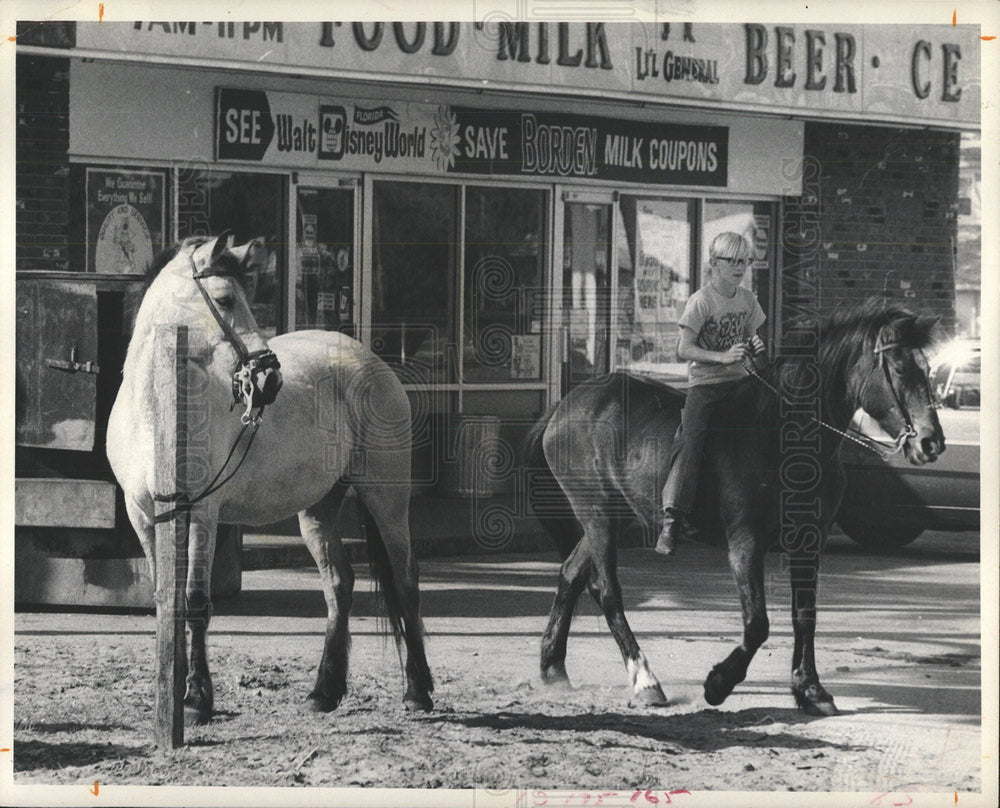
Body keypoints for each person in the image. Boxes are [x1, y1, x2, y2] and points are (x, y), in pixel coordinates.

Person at [655, 231, 766, 556]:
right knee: (691, 442)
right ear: (714, 264)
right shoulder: (701, 301)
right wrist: (720, 357)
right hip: (706, 386)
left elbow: (751, 340)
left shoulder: (747, 299)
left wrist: (757, 347)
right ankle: (673, 517)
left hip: (741, 383)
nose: (739, 267)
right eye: (731, 261)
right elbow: (683, 349)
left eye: (744, 261)